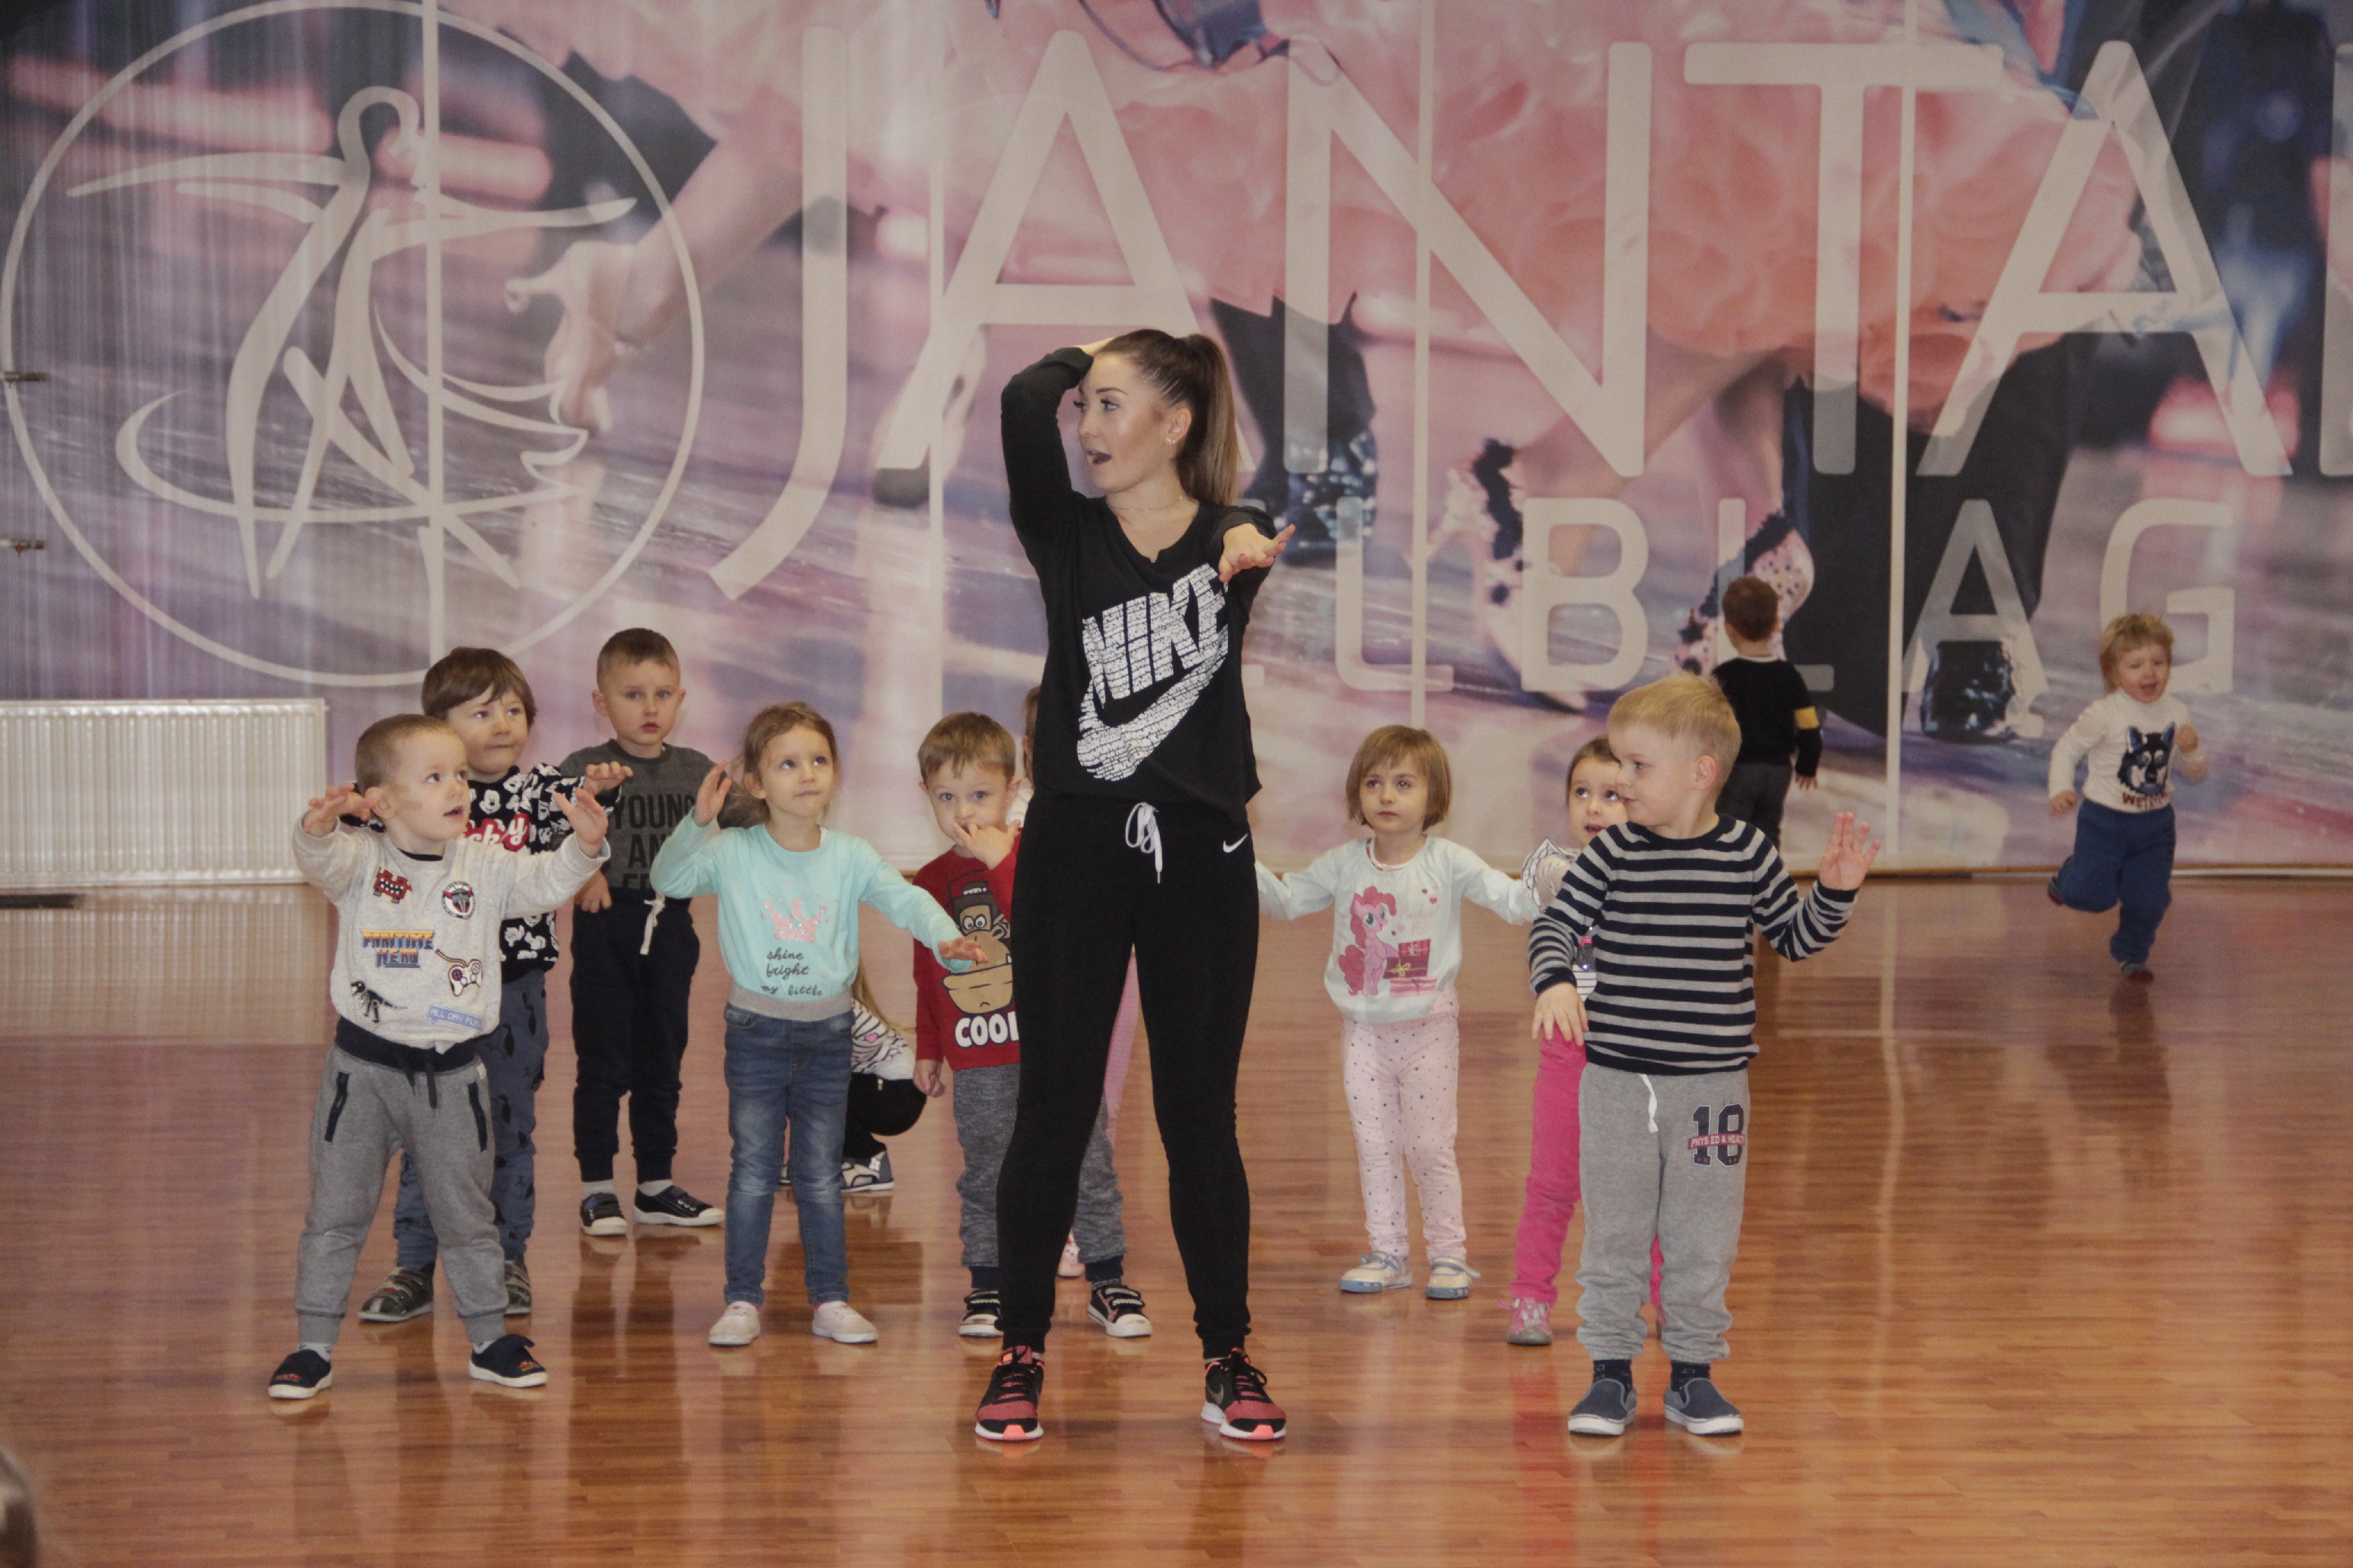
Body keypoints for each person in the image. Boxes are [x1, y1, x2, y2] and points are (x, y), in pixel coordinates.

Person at [974, 329, 1293, 1445]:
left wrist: (1241, 536)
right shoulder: (1065, 535)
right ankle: (1019, 1348)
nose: (1089, 427)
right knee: (1053, 1109)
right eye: (1089, 408)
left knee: (1198, 1113)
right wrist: (1083, 359)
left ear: (1177, 423)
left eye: (1114, 406)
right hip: (1076, 849)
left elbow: (1244, 526)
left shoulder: (1231, 537)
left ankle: (1227, 1354)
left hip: (1202, 856)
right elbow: (1022, 403)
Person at [1529, 675, 1878, 1438]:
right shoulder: (1611, 852)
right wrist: (1554, 981)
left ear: (1701, 771)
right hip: (1617, 1082)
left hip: (1713, 1087)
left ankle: (1692, 1378)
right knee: (1616, 1233)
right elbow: (1553, 924)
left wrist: (1834, 894)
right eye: (1618, 763)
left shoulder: (1747, 853)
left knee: (1702, 1236)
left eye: (1637, 766)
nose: (1620, 780)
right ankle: (1610, 1377)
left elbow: (1793, 936)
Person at [271, 715, 610, 1399]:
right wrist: (317, 828)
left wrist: (585, 845)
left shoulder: (484, 864)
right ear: (383, 800)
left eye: (459, 774)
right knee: (336, 1213)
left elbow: (545, 883)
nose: (458, 787)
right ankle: (312, 1346)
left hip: (453, 1077)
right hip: (361, 1077)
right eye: (435, 777)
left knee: (467, 1216)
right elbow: (317, 858)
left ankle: (488, 1340)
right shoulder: (359, 860)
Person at [650, 702, 983, 1348]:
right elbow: (670, 877)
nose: (807, 774)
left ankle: (830, 1299)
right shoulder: (733, 851)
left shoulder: (850, 856)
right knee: (753, 1170)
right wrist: (697, 823)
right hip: (756, 1034)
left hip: (829, 1036)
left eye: (819, 760)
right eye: (787, 764)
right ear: (755, 782)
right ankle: (742, 1299)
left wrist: (946, 939)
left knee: (820, 1176)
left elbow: (906, 899)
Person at [360, 648, 628, 1325]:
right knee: (427, 1129)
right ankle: (413, 1263)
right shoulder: (429, 797)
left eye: (513, 709)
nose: (503, 723)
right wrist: (342, 817)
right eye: (481, 712)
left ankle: (508, 1258)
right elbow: (368, 834)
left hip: (514, 988)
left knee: (508, 1126)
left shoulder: (537, 790)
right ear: (439, 727)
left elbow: (577, 819)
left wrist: (599, 796)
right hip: (431, 991)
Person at [1257, 726, 1535, 1301]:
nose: (1386, 795)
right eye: (1374, 782)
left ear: (1433, 796)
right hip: (1362, 1034)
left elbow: (1513, 902)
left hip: (1429, 1029)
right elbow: (1285, 901)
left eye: (1404, 783)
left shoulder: (1449, 861)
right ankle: (1388, 1252)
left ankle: (1449, 1256)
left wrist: (1555, 881)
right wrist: (1235, 858)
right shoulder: (1342, 865)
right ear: (1356, 794)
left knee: (1429, 1146)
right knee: (1375, 1145)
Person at [911, 711, 1148, 1342]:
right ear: (926, 795)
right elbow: (928, 972)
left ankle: (1108, 1277)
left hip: (1057, 1050)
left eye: (979, 794)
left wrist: (1000, 863)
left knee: (1088, 1161)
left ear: (1012, 790)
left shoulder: (1037, 853)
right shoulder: (929, 881)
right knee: (986, 1171)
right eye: (947, 797)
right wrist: (929, 1047)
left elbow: (1055, 936)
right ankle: (989, 1284)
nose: (964, 811)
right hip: (978, 1058)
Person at [558, 629, 723, 1236]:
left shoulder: (695, 770)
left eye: (662, 694)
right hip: (606, 927)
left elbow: (751, 824)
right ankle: (597, 1187)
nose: (650, 708)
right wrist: (586, 871)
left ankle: (655, 1184)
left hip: (671, 927)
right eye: (632, 694)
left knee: (663, 1058)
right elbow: (549, 831)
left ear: (681, 699)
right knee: (603, 1060)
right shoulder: (583, 769)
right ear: (601, 702)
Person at [1505, 736, 1658, 1348]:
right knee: (1552, 1183)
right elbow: (1555, 893)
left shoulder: (1657, 871)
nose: (1594, 807)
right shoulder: (1555, 868)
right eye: (1581, 793)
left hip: (1640, 1058)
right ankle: (1530, 1298)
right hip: (1569, 1052)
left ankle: (1666, 1301)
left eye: (1611, 795)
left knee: (1648, 1189)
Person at [2046, 614, 2207, 982]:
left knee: (2149, 900)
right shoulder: (2104, 714)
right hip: (2105, 823)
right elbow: (2067, 749)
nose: (2149, 673)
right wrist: (2061, 789)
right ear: (2114, 674)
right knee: (2091, 896)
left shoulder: (2177, 713)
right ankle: (2071, 875)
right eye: (2135, 665)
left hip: (2155, 827)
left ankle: (2132, 954)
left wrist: (2192, 751)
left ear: (2169, 666)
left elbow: (2195, 773)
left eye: (2158, 662)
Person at [1710, 577, 1823, 849]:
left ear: (1728, 629)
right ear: (1776, 625)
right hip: (1778, 773)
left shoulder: (1724, 676)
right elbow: (1810, 727)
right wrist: (1808, 764)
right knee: (1768, 835)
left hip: (1739, 771)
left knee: (1731, 835)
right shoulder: (1789, 675)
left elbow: (1709, 728)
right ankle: (1770, 876)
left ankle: (1732, 877)